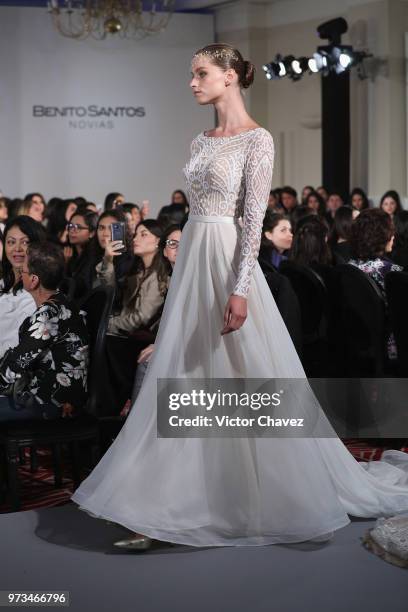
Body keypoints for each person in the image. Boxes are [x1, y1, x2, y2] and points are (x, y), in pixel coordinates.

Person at [72, 43, 408, 551]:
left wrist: (241, 287)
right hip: (194, 260)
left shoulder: (259, 139)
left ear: (229, 76)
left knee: (246, 375)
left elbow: (253, 218)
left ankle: (256, 496)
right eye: (191, 74)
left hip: (229, 258)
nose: (192, 82)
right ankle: (156, 507)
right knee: (182, 375)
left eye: (201, 73)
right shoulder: (200, 140)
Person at [0, 241, 88, 421]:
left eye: (23, 270)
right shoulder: (63, 301)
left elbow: (15, 365)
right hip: (59, 396)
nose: (20, 273)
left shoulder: (46, 316)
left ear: (34, 280)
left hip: (51, 402)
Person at [0, 216, 45, 358]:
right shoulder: (4, 283)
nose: (17, 249)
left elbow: (16, 347)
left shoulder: (37, 292)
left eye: (25, 242)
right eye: (11, 242)